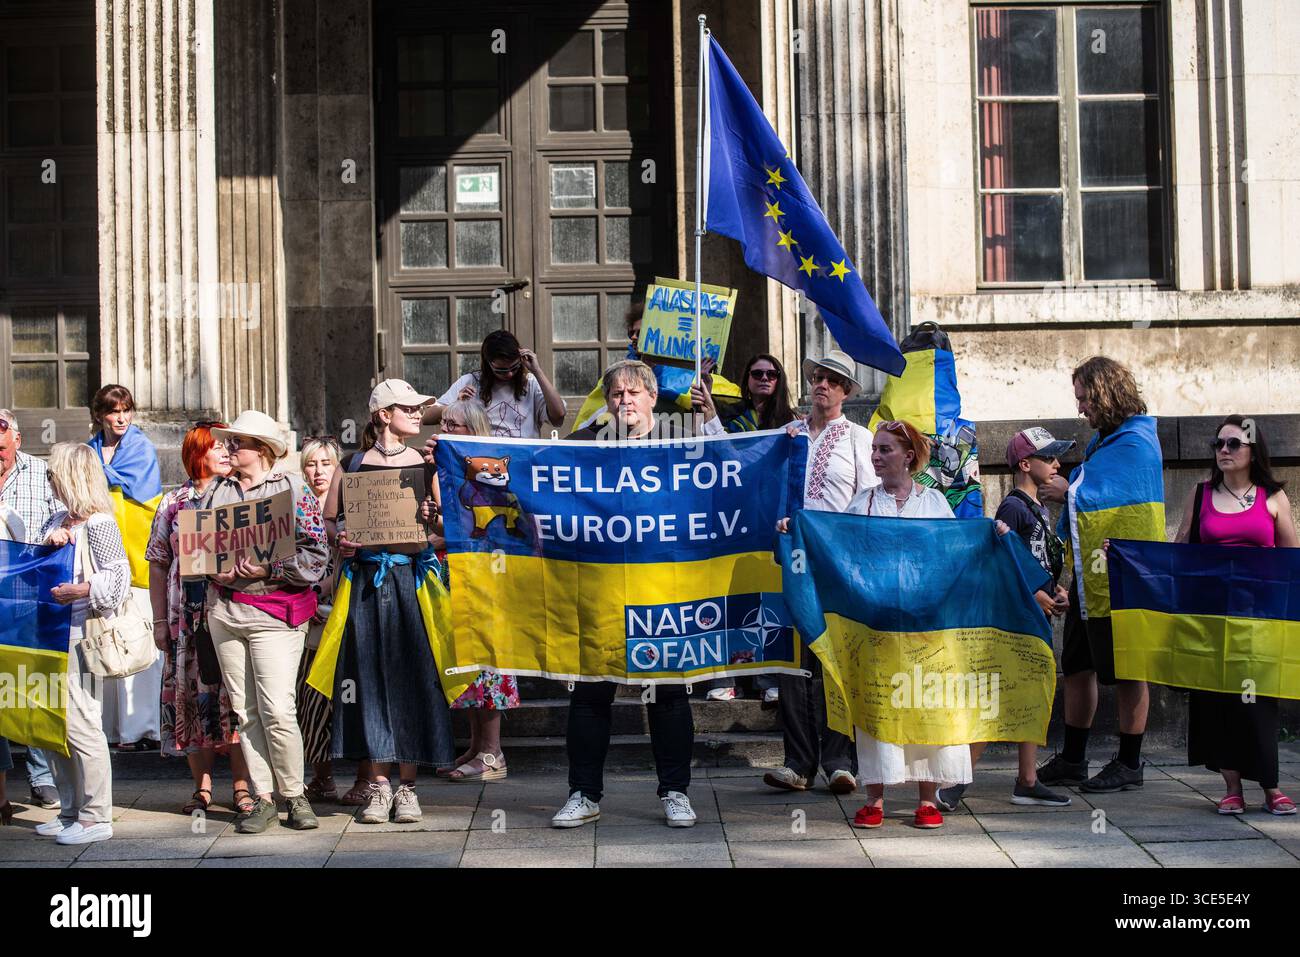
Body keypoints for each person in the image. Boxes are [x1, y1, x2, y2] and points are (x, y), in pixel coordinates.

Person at [551, 360, 707, 829]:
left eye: (633, 393)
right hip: (598, 594)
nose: (624, 401)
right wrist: (461, 450)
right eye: (616, 394)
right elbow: (530, 470)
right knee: (590, 697)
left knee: (669, 696)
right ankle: (583, 793)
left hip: (663, 594)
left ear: (652, 398)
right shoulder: (583, 447)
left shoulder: (684, 447)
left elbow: (731, 479)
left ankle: (676, 792)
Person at [322, 380, 456, 825]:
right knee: (369, 681)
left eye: (420, 409)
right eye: (409, 408)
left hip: (410, 580)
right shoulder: (353, 464)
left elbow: (449, 525)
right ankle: (379, 787)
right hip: (364, 581)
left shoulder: (427, 463)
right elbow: (330, 519)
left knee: (414, 678)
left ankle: (409, 787)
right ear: (383, 415)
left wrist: (431, 523)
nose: (418, 414)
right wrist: (340, 538)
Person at [1035, 357, 1164, 793]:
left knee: (1129, 671)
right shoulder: (1103, 443)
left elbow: (1118, 500)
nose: (1081, 409)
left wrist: (1066, 491)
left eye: (1085, 398)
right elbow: (1093, 493)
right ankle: (1073, 759)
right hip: (1089, 583)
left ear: (1106, 393)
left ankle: (1129, 763)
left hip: (1123, 582)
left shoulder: (1138, 440)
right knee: (1077, 666)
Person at [200, 411, 328, 834]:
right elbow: (197, 547)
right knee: (244, 710)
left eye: (239, 441)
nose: (230, 447)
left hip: (275, 613)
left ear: (263, 449)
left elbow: (316, 555)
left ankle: (295, 794)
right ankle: (263, 798)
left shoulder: (293, 487)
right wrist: (210, 569)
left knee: (277, 707)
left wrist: (268, 570)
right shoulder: (216, 490)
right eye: (230, 441)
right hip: (226, 612)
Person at [938, 428, 1077, 812]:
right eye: (1049, 458)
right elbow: (1000, 561)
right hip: (1014, 618)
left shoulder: (1042, 509)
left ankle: (1027, 780)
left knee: (1031, 695)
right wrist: (1033, 593)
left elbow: (1039, 561)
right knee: (999, 697)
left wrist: (1057, 589)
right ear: (1025, 464)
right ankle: (956, 782)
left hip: (1037, 616)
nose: (1057, 464)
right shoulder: (1013, 508)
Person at [845, 419, 967, 830]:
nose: (876, 456)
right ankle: (875, 796)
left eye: (885, 450)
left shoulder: (934, 504)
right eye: (874, 449)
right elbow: (838, 550)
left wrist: (995, 535)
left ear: (908, 456)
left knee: (927, 703)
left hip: (926, 626)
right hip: (876, 624)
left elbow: (955, 554)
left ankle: (928, 797)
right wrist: (797, 532)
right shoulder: (861, 503)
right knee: (878, 705)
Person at [766, 350, 875, 796]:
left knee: (836, 659)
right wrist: (711, 416)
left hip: (836, 561)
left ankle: (839, 759)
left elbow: (869, 500)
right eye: (817, 377)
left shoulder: (858, 439)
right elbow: (743, 467)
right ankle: (797, 762)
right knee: (793, 661)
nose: (822, 385)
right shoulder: (787, 434)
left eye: (833, 380)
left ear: (847, 391)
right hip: (791, 558)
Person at [1175, 415, 1297, 815]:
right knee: (1218, 700)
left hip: (1260, 618)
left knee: (1259, 699)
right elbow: (1179, 554)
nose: (1223, 451)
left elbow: (1290, 562)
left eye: (1233, 444)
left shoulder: (1273, 497)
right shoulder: (1200, 494)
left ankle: (1271, 786)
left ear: (1252, 451)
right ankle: (1231, 787)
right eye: (1218, 444)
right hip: (1211, 618)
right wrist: (1122, 554)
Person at [146, 422, 253, 816]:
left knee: (234, 697)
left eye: (229, 447)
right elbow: (158, 562)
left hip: (229, 609)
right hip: (184, 619)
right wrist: (159, 621)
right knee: (189, 697)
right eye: (217, 447)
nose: (226, 453)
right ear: (197, 453)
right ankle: (202, 786)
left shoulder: (241, 497)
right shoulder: (174, 502)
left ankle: (243, 786)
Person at [35, 443, 134, 845]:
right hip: (53, 634)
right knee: (56, 725)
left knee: (82, 726)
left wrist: (80, 590)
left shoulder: (99, 524)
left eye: (55, 472)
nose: (50, 479)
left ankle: (96, 816)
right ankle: (70, 810)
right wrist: (49, 543)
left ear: (72, 476)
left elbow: (118, 578)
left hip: (82, 634)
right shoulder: (60, 518)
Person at [425, 399, 521, 782]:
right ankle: (476, 745)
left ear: (476, 430)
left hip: (487, 573)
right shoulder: (444, 467)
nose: (447, 427)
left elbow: (477, 526)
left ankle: (494, 753)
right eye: (445, 421)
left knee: (488, 661)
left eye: (457, 425)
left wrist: (435, 529)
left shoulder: (490, 472)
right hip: (454, 571)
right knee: (464, 660)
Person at [700, 354, 800, 703]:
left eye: (772, 373)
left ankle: (768, 675)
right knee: (732, 601)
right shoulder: (731, 419)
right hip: (732, 522)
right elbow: (720, 457)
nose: (764, 378)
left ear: (780, 380)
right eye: (756, 373)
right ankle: (727, 677)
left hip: (773, 522)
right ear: (746, 379)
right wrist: (707, 404)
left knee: (771, 600)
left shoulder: (793, 423)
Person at [87, 384, 165, 752]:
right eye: (114, 411)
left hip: (138, 558)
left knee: (138, 639)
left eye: (127, 410)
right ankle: (110, 728)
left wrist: (101, 474)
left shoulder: (140, 447)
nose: (121, 418)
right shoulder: (89, 450)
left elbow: (142, 492)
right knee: (106, 638)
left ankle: (142, 729)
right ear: (100, 414)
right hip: (101, 558)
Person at [294, 436, 370, 806]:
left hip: (350, 611)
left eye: (327, 463)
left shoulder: (353, 504)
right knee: (311, 700)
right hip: (309, 619)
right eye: (311, 463)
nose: (319, 470)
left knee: (355, 699)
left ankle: (364, 779)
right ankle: (321, 778)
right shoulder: (295, 505)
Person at [0, 409, 63, 809]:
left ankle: (41, 776)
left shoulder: (41, 474)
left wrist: (57, 532)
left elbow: (63, 514)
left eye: (0, 450)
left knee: (28, 684)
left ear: (17, 442)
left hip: (24, 595)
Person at [428, 329, 566, 438]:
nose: (509, 374)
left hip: (523, 458)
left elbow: (559, 415)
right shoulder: (471, 381)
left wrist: (537, 371)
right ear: (488, 364)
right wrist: (456, 404)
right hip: (482, 460)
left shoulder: (530, 383)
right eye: (501, 370)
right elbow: (427, 417)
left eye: (514, 367)